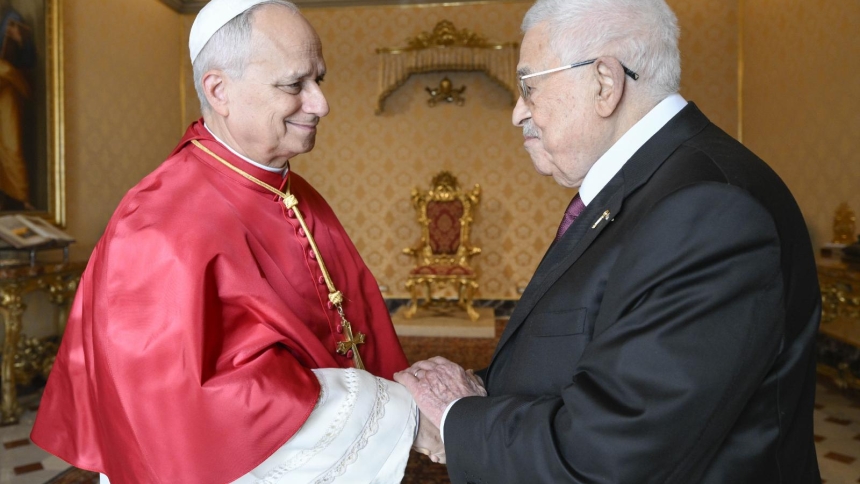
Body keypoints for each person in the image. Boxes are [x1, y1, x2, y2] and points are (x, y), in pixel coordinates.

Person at [395, 0, 822, 482]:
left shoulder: (708, 208)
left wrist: (455, 418)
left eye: (529, 87)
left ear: (604, 82)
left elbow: (612, 455)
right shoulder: (658, 185)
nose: (518, 113)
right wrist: (481, 389)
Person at [31, 1, 443, 482]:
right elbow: (192, 414)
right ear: (219, 90)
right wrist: (401, 412)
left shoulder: (289, 190)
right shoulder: (157, 222)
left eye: (319, 80)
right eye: (294, 84)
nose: (320, 104)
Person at [0, 8, 35, 207]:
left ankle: (21, 197)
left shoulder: (10, 17)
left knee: (10, 145)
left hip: (8, 89)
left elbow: (27, 58)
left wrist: (18, 39)